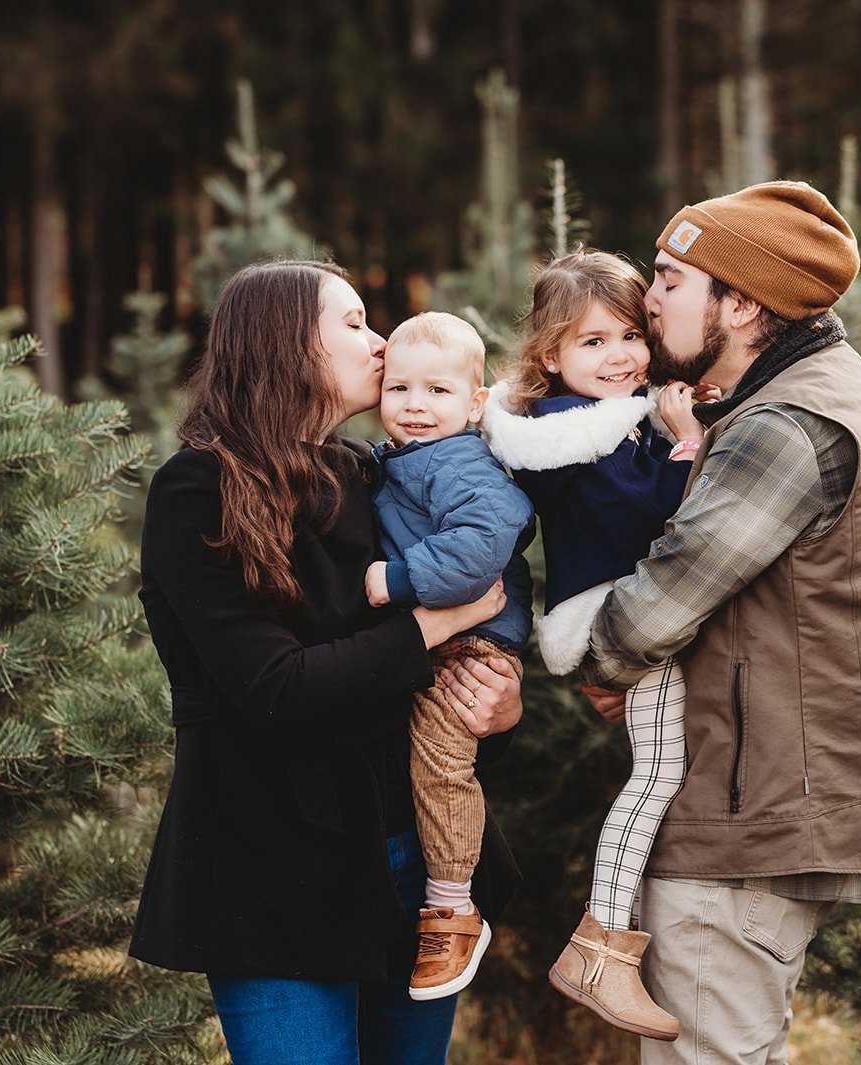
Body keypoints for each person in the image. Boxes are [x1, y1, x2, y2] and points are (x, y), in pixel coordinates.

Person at [576, 182, 861, 1065]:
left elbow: (649, 615)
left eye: (673, 278)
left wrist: (596, 658)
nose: (650, 297)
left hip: (748, 814)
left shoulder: (786, 423)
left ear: (741, 301)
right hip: (770, 797)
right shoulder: (805, 391)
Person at [128, 261, 525, 1065]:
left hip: (407, 863)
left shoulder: (370, 476)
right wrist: (434, 621)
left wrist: (497, 707)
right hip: (273, 873)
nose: (381, 345)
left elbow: (435, 677)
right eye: (353, 325)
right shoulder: (197, 490)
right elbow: (277, 689)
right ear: (286, 348)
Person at [479, 251, 706, 1042]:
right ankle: (600, 944)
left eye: (630, 336)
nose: (620, 356)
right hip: (607, 607)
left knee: (663, 761)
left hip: (616, 602)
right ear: (551, 356)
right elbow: (647, 521)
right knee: (660, 768)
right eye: (593, 342)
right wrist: (687, 445)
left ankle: (616, 932)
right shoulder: (577, 434)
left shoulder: (598, 417)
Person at [363, 310, 535, 1001]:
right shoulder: (401, 460)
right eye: (400, 388)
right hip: (441, 633)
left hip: (472, 641)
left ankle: (452, 906)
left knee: (439, 764)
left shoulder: (458, 461)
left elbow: (485, 539)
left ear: (477, 402)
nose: (415, 405)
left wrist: (395, 580)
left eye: (437, 391)